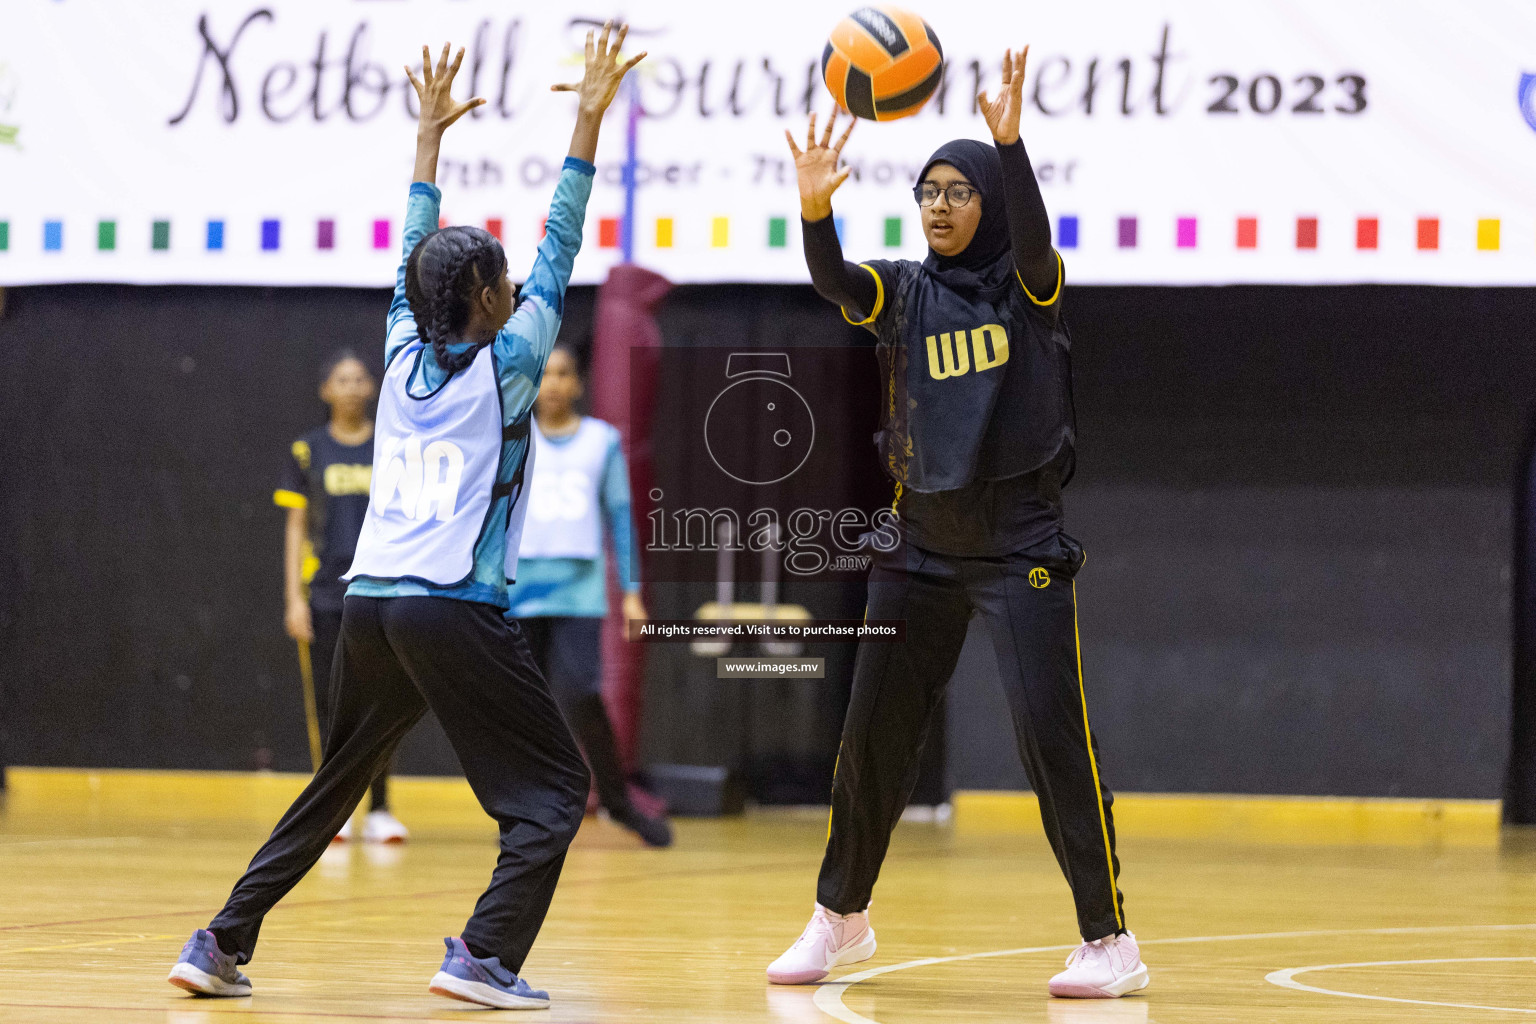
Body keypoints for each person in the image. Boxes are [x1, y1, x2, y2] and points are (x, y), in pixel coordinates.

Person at [167, 28, 644, 1009]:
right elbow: (560, 244)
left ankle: (221, 939)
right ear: (483, 296)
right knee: (554, 794)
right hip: (448, 606)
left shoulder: (397, 357)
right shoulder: (510, 364)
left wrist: (426, 145)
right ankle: (482, 952)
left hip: (372, 601)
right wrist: (589, 119)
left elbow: (408, 261)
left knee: (338, 777)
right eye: (500, 280)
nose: (518, 286)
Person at [765, 47, 1150, 999]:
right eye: (926, 190)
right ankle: (840, 917)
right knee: (871, 737)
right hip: (919, 545)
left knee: (1050, 738)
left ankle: (1110, 943)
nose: (938, 206)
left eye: (957, 192)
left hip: (1019, 542)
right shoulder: (902, 290)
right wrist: (816, 209)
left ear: (988, 202)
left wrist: (1009, 143)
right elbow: (831, 281)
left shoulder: (1030, 287)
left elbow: (1031, 237)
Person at [508, 343, 672, 848]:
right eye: (546, 374)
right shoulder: (513, 438)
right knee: (523, 707)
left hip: (578, 591)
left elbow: (621, 516)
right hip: (517, 589)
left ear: (578, 383)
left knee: (581, 694)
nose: (553, 383)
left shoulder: (601, 441)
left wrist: (632, 592)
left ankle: (617, 802)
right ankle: (527, 816)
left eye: (563, 374)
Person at [275, 349, 407, 844]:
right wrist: (294, 598)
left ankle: (380, 807)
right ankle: (335, 810)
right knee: (331, 705)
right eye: (341, 380)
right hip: (326, 595)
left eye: (359, 379)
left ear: (372, 388)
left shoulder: (394, 445)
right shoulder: (307, 451)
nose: (351, 387)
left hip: (382, 592)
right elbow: (295, 529)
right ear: (326, 391)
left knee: (382, 700)